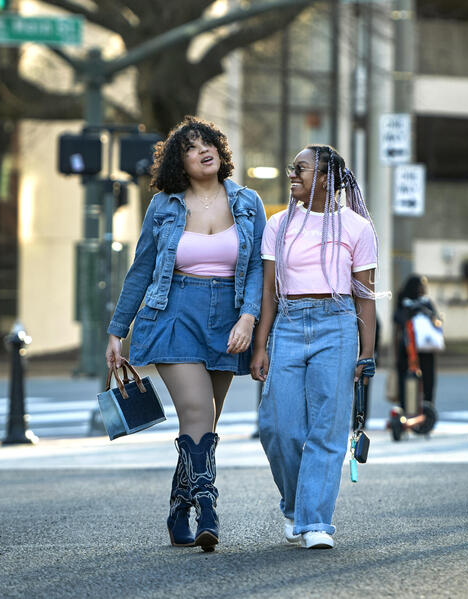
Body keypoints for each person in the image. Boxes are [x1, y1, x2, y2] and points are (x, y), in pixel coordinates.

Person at [105, 116, 266, 551]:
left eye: (207, 142)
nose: (203, 150)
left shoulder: (249, 202)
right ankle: (207, 507)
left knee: (204, 420)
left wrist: (248, 318)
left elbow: (256, 269)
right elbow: (141, 270)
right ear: (180, 163)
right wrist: (117, 331)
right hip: (174, 311)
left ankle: (179, 505)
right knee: (196, 410)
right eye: (191, 148)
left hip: (229, 319)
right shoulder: (165, 205)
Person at [250, 145, 377, 550]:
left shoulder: (357, 228)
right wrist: (260, 345)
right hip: (287, 322)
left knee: (327, 428)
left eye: (301, 169)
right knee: (277, 427)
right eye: (292, 168)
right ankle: (294, 505)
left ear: (325, 177)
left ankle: (316, 522)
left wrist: (367, 352)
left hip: (337, 323)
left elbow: (366, 296)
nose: (293, 174)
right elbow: (269, 292)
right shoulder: (278, 224)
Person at [392, 274, 441, 414]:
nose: (423, 289)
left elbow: (436, 322)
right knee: (405, 382)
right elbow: (397, 327)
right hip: (407, 349)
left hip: (426, 350)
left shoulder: (426, 303)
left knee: (428, 382)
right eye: (421, 285)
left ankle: (427, 411)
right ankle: (406, 411)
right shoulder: (404, 302)